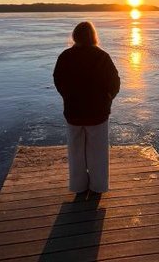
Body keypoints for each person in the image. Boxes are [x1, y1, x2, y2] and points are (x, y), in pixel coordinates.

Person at [53, 21, 120, 194]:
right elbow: (115, 83)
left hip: (73, 113)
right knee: (98, 152)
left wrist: (67, 96)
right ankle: (98, 187)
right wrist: (107, 99)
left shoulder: (65, 56)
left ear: (75, 36)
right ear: (93, 36)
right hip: (97, 114)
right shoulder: (102, 56)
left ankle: (78, 186)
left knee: (75, 152)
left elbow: (58, 80)